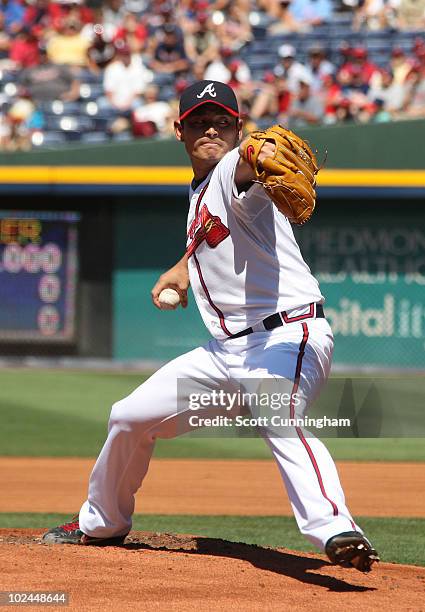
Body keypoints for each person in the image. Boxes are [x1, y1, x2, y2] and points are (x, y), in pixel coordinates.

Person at [42, 80, 379, 573]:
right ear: (180, 131)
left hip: (287, 336)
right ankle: (102, 521)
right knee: (129, 416)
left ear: (238, 128)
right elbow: (210, 238)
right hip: (224, 353)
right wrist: (180, 269)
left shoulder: (231, 170)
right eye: (199, 121)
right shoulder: (200, 191)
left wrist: (251, 156)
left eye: (222, 120)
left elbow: (244, 170)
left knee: (274, 410)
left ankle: (336, 528)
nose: (210, 128)